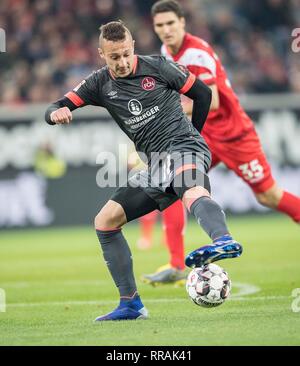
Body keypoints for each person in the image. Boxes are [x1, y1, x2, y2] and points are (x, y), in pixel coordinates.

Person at [45, 21, 242, 321]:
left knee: (191, 188)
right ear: (101, 54)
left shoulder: (159, 67)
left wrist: (194, 137)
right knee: (105, 222)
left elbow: (202, 94)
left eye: (126, 53)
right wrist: (57, 113)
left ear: (133, 45)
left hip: (183, 146)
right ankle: (131, 304)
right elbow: (56, 106)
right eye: (114, 57)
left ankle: (223, 240)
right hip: (156, 165)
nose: (122, 62)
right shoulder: (98, 84)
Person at [141, 0, 300, 285]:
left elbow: (211, 101)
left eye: (170, 24)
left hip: (234, 135)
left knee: (268, 196)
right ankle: (177, 265)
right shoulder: (167, 52)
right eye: (160, 25)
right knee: (173, 184)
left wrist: (167, 107)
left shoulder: (196, 53)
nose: (166, 30)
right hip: (204, 137)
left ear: (182, 23)